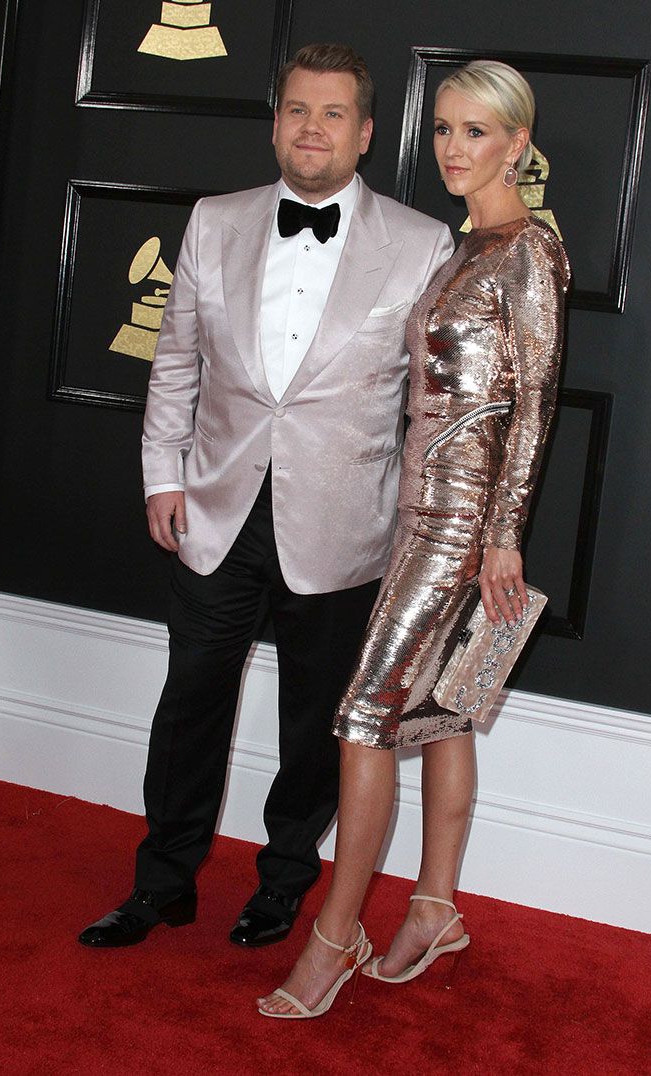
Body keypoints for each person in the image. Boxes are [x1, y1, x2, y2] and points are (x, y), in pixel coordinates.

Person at [77, 44, 453, 950]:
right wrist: (162, 476)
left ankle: (285, 883)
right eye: (295, 110)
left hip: (344, 524)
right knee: (188, 707)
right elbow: (175, 362)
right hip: (215, 511)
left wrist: (421, 530)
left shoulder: (420, 242)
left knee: (315, 725)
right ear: (275, 120)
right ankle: (162, 881)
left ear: (364, 133)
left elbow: (429, 407)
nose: (310, 129)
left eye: (331, 115)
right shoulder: (215, 220)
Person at [257, 59, 570, 1018]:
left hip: (463, 525)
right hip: (412, 512)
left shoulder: (529, 255)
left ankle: (336, 934)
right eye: (442, 128)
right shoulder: (463, 248)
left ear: (517, 143)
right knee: (439, 716)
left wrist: (503, 538)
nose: (453, 148)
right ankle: (433, 905)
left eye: (476, 131)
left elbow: (535, 408)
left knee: (363, 718)